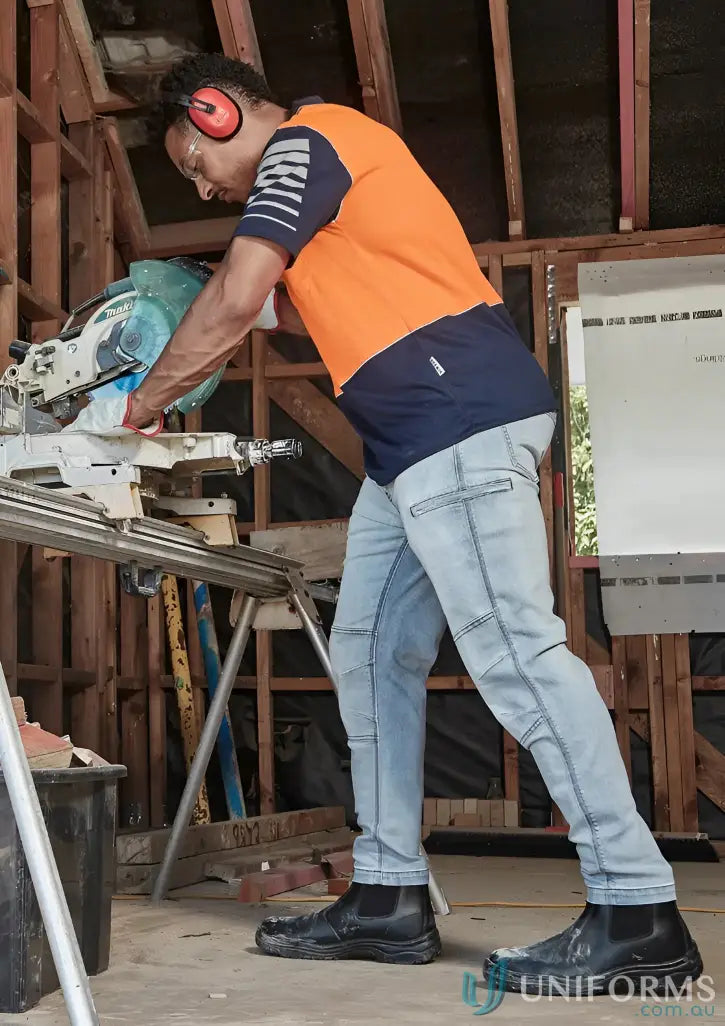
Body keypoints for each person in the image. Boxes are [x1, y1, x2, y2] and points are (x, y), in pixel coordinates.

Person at [117, 53, 701, 992]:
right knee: (368, 652)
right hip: (409, 447)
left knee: (513, 651)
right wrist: (220, 302)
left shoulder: (307, 144)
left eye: (195, 162)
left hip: (453, 420)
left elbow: (237, 298)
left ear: (218, 113)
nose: (203, 183)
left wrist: (140, 405)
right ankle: (387, 898)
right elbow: (291, 308)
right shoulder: (326, 181)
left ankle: (638, 913)